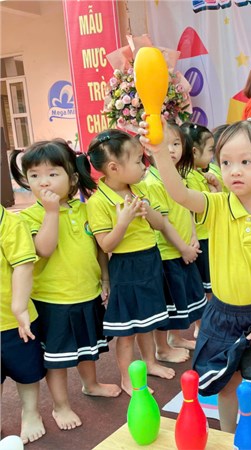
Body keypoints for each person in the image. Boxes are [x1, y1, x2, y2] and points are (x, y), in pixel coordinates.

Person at [140, 119, 251, 446]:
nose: (235, 170)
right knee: (227, 384)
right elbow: (178, 193)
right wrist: (160, 152)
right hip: (221, 315)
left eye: (245, 161)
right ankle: (229, 439)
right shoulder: (216, 205)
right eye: (227, 162)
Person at [10, 141, 121, 430]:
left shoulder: (83, 210)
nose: (43, 181)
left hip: (87, 293)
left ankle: (91, 384)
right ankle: (60, 405)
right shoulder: (29, 217)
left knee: (86, 348)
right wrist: (50, 212)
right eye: (34, 175)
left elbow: (99, 249)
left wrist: (105, 278)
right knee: (56, 359)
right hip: (53, 301)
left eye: (52, 173)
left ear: (72, 179)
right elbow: (44, 249)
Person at [83, 129, 175, 394]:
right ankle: (127, 378)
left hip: (150, 260)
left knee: (147, 321)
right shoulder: (98, 202)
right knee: (127, 331)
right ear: (114, 168)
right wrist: (123, 221)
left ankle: (150, 362)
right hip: (125, 267)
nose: (143, 165)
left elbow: (159, 225)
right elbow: (106, 244)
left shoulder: (138, 189)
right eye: (137, 161)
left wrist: (148, 212)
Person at [143, 123, 206, 356]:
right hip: (167, 252)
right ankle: (162, 348)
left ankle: (175, 338)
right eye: (164, 144)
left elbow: (187, 210)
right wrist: (182, 248)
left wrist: (193, 237)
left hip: (183, 248)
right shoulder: (151, 182)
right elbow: (163, 223)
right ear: (148, 148)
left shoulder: (178, 176)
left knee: (180, 300)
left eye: (176, 144)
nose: (171, 149)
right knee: (167, 304)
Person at [0, 205, 46, 444]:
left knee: (26, 373)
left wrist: (19, 308)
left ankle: (30, 412)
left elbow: (24, 265)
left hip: (14, 322)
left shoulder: (10, 224)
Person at [181, 123, 218, 338]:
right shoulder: (187, 177)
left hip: (208, 236)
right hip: (200, 239)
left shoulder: (199, 175)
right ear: (194, 151)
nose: (213, 155)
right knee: (204, 288)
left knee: (210, 286)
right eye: (211, 150)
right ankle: (202, 326)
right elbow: (197, 208)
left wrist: (214, 187)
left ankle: (208, 323)